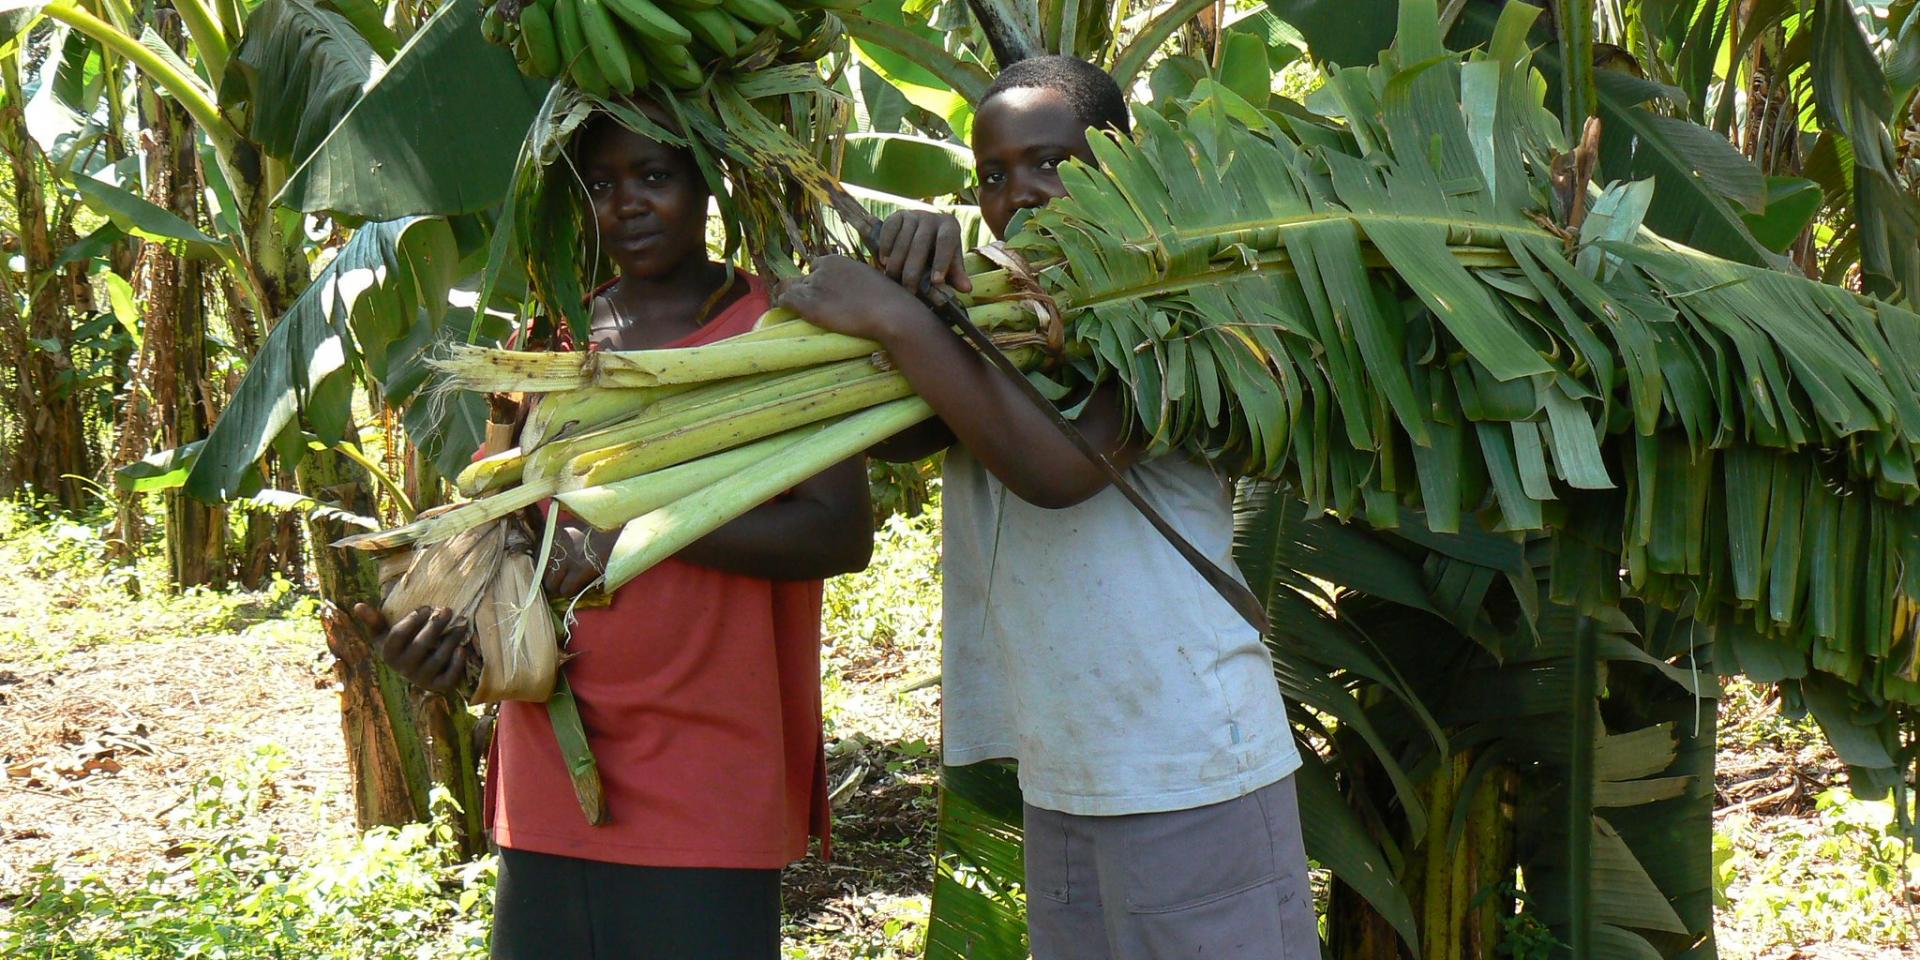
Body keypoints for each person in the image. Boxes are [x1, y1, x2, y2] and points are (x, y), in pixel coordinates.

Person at [777, 56, 1318, 959]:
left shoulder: (1182, 296)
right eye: (991, 175)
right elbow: (904, 432)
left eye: (1051, 163)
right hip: (1065, 773)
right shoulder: (1006, 306)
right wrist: (914, 288)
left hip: (1188, 762)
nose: (1018, 193)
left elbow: (1060, 471)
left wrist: (902, 322)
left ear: (1121, 163)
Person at [351, 104, 873, 960]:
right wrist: (437, 640)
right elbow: (502, 528)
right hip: (553, 761)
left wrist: (632, 526)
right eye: (600, 184)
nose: (625, 204)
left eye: (655, 177)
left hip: (710, 766)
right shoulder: (550, 342)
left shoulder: (781, 332)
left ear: (708, 183)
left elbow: (838, 535)